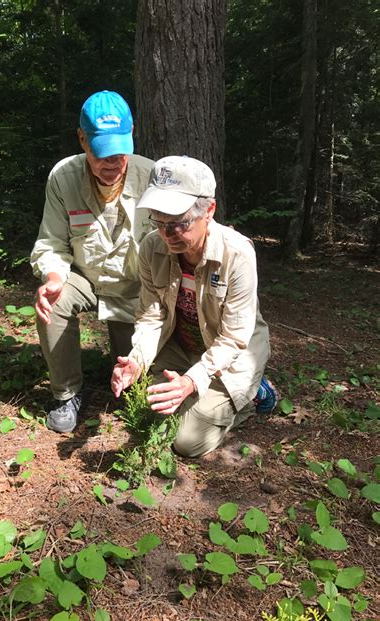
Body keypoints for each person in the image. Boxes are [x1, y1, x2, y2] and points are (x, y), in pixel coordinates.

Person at [111, 155, 277, 458]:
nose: (166, 234)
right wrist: (137, 359)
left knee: (187, 443)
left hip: (231, 355)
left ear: (209, 210)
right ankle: (201, 393)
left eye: (178, 223)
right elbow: (151, 316)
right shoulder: (151, 247)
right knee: (151, 408)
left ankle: (252, 394)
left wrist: (192, 380)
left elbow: (234, 338)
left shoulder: (237, 254)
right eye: (158, 221)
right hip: (181, 346)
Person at [31, 90, 154, 434]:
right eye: (102, 153)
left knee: (131, 389)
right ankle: (66, 392)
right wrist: (54, 277)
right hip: (84, 278)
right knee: (53, 299)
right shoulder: (63, 177)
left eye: (120, 152)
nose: (112, 163)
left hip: (135, 289)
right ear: (82, 139)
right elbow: (52, 242)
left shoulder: (152, 177)